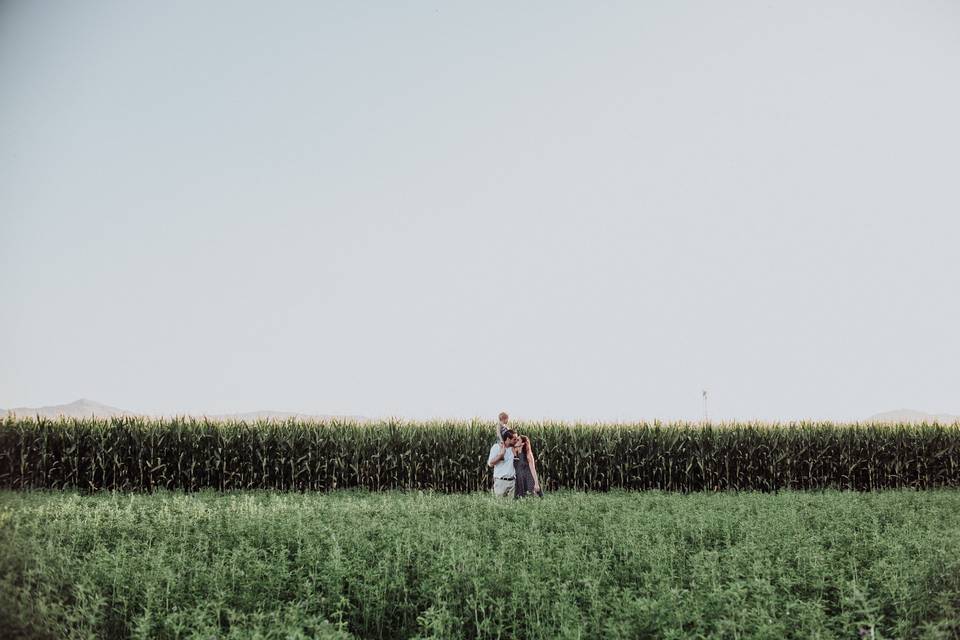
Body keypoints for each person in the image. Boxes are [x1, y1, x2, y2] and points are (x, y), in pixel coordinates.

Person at [487, 427, 518, 497]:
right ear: (508, 439)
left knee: (513, 506)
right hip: (501, 482)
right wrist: (500, 455)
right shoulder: (496, 447)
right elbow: (490, 464)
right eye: (514, 439)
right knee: (500, 506)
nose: (516, 441)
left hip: (513, 482)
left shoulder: (515, 449)